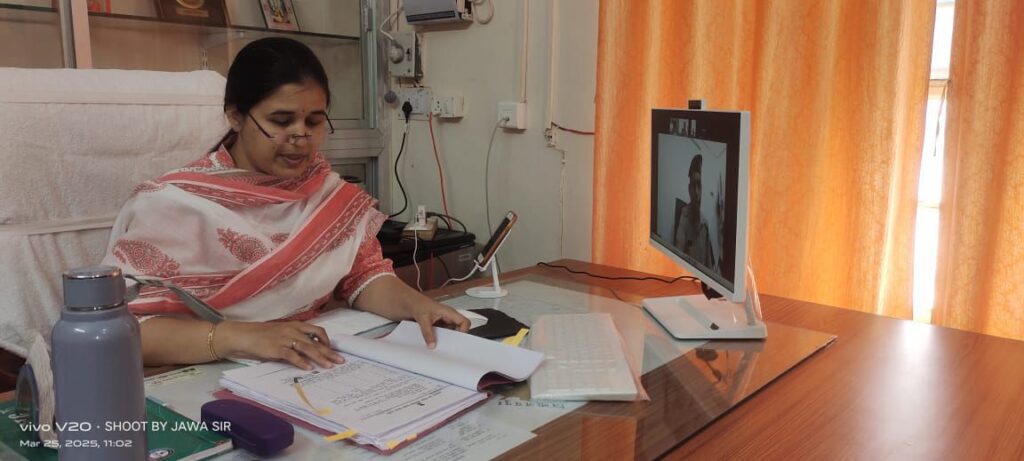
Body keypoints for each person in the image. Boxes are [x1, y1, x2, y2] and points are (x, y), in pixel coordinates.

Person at [101, 37, 468, 371]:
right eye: (281, 121)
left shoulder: (325, 192)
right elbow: (117, 331)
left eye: (314, 121)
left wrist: (415, 305)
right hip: (200, 372)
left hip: (306, 365)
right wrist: (238, 336)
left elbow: (363, 277)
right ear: (235, 116)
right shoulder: (174, 204)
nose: (300, 137)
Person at [673, 154, 718, 272]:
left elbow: (710, 266)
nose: (697, 192)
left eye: (699, 185)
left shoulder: (705, 223)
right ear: (689, 190)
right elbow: (678, 253)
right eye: (693, 186)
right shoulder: (684, 216)